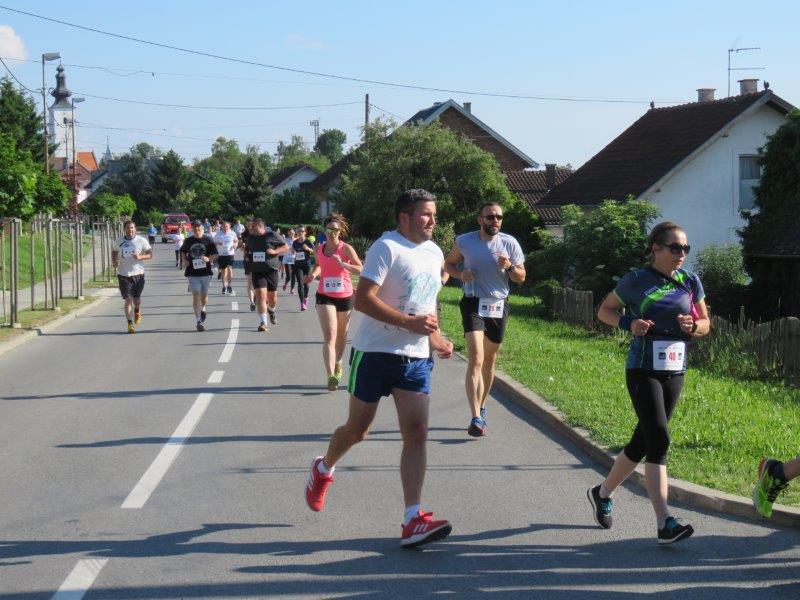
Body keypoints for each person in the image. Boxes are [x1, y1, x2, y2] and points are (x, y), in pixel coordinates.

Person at [304, 189, 454, 548]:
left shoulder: (434, 253)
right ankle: (323, 468)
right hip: (373, 354)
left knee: (417, 431)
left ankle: (412, 518)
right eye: (425, 214)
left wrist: (435, 337)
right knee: (357, 431)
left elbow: (427, 301)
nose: (433, 221)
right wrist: (409, 323)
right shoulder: (386, 248)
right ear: (404, 217)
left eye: (434, 214)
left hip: (414, 357)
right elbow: (363, 299)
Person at [589, 221, 710, 545]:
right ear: (656, 248)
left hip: (675, 369)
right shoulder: (635, 280)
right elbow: (604, 311)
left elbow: (706, 324)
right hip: (642, 368)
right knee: (659, 438)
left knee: (643, 441)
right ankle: (664, 522)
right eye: (675, 247)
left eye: (685, 248)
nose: (681, 253)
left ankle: (602, 493)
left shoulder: (690, 281)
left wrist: (693, 326)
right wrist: (629, 323)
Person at [444, 202, 526, 437]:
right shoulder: (465, 241)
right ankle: (475, 417)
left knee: (489, 360)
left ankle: (481, 406)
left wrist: (509, 267)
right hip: (473, 302)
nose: (495, 221)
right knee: (476, 357)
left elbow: (521, 277)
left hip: (498, 304)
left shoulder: (509, 243)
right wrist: (460, 274)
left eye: (499, 217)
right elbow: (448, 264)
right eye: (490, 217)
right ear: (480, 219)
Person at [305, 214, 363, 391]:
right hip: (325, 295)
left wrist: (344, 264)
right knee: (330, 334)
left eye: (335, 229)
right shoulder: (319, 249)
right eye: (329, 229)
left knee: (342, 334)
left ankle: (338, 362)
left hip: (345, 295)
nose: (332, 232)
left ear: (340, 231)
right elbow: (319, 265)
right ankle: (331, 375)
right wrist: (313, 275)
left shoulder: (346, 249)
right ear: (324, 230)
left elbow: (361, 269)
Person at [244, 218, 288, 331]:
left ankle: (271, 311)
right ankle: (263, 322)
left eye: (253, 226)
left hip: (271, 270)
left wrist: (275, 251)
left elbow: (286, 246)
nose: (251, 228)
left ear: (260, 226)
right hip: (257, 270)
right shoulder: (250, 237)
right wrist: (247, 254)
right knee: (261, 296)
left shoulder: (272, 235)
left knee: (272, 298)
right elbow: (247, 249)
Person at [112, 220, 152, 334]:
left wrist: (140, 257)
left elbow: (150, 254)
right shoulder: (119, 240)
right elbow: (114, 252)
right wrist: (114, 261)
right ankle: (130, 324)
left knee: (136, 300)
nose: (130, 230)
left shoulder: (141, 240)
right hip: (123, 274)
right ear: (124, 229)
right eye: (128, 228)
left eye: (132, 228)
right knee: (128, 300)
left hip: (138, 274)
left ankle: (137, 310)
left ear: (135, 229)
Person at [180, 220, 218, 332]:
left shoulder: (208, 240)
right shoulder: (188, 240)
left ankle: (203, 309)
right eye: (195, 227)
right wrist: (185, 260)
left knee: (204, 296)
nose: (197, 229)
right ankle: (198, 321)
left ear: (202, 228)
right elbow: (183, 251)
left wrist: (208, 258)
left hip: (206, 272)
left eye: (199, 227)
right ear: (192, 228)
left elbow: (215, 254)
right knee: (196, 294)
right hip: (192, 272)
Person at [292, 227, 315, 311]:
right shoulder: (295, 242)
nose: (300, 232)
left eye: (302, 231)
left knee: (306, 283)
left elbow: (314, 251)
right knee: (300, 283)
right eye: (298, 231)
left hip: (306, 265)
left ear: (305, 232)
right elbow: (294, 251)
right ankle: (302, 303)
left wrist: (308, 249)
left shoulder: (308, 242)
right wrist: (293, 252)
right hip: (298, 265)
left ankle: (305, 298)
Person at [214, 220, 239, 295]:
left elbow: (236, 241)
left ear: (229, 226)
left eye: (227, 226)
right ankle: (224, 286)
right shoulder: (218, 234)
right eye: (224, 226)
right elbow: (214, 243)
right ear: (221, 226)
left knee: (230, 269)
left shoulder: (232, 233)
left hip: (230, 254)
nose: (225, 228)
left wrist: (235, 245)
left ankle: (229, 285)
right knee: (223, 271)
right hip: (221, 254)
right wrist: (219, 243)